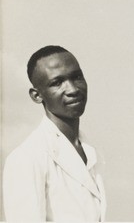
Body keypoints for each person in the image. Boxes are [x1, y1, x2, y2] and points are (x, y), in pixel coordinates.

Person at [3, 45, 106, 221]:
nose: (73, 89)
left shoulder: (92, 152)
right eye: (57, 83)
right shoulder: (27, 158)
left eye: (77, 77)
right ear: (37, 95)